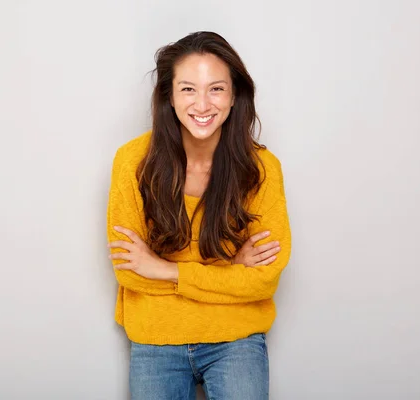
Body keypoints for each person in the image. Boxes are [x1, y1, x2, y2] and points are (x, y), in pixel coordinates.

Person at [106, 31, 291, 400]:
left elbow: (264, 280)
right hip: (156, 336)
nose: (202, 104)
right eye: (188, 89)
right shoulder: (132, 161)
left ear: (235, 95)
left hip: (234, 338)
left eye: (216, 89)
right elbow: (131, 271)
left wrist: (166, 267)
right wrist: (230, 267)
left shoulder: (262, 168)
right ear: (169, 97)